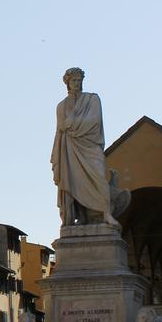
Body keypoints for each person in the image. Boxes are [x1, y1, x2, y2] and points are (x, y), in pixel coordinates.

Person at [51, 67, 116, 226]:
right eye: (73, 80)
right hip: (70, 148)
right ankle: (81, 216)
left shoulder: (92, 99)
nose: (77, 83)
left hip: (90, 144)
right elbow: (60, 127)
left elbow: (94, 120)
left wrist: (71, 124)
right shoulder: (61, 106)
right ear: (67, 83)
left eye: (79, 80)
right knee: (73, 181)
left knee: (99, 176)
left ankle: (106, 213)